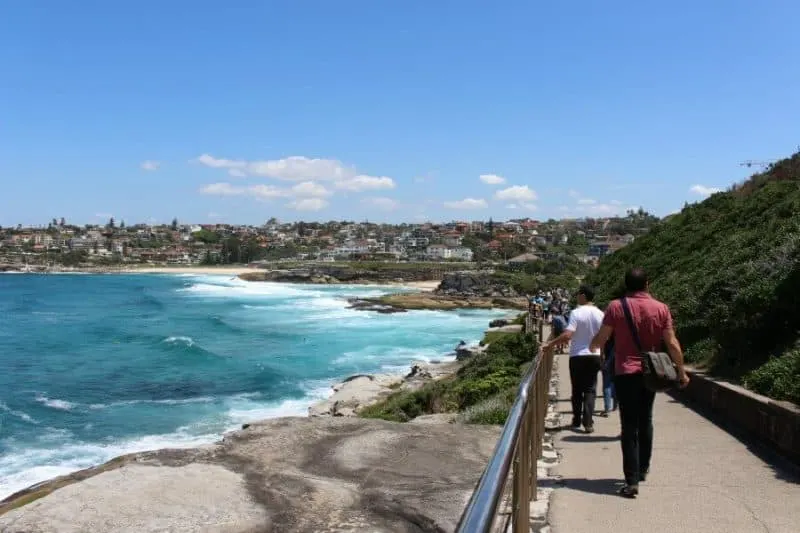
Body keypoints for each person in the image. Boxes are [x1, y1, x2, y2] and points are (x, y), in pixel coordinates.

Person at [590, 268, 690, 499]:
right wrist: (681, 372)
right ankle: (643, 468)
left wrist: (593, 345)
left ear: (626, 285)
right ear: (647, 283)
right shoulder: (661, 308)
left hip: (625, 372)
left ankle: (631, 480)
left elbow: (602, 338)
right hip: (651, 372)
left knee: (629, 425)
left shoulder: (616, 306)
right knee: (646, 419)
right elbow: (672, 342)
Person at [544, 284, 604, 433]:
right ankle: (588, 422)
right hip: (594, 355)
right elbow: (604, 337)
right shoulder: (600, 314)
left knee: (577, 390)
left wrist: (550, 344)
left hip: (577, 356)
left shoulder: (576, 313)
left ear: (583, 296)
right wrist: (602, 355)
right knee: (590, 389)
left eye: (578, 294)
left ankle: (577, 420)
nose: (577, 296)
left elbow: (568, 335)